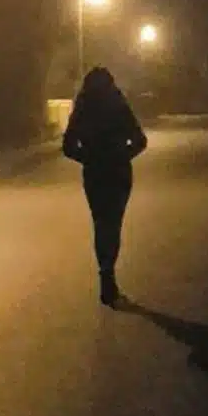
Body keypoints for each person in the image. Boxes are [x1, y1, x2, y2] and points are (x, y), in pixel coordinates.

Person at [62, 67, 148, 305]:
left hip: (95, 173)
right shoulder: (118, 106)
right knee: (113, 223)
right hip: (119, 172)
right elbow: (140, 140)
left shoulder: (82, 110)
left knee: (100, 223)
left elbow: (68, 147)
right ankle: (109, 273)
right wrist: (122, 155)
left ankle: (106, 273)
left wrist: (88, 158)